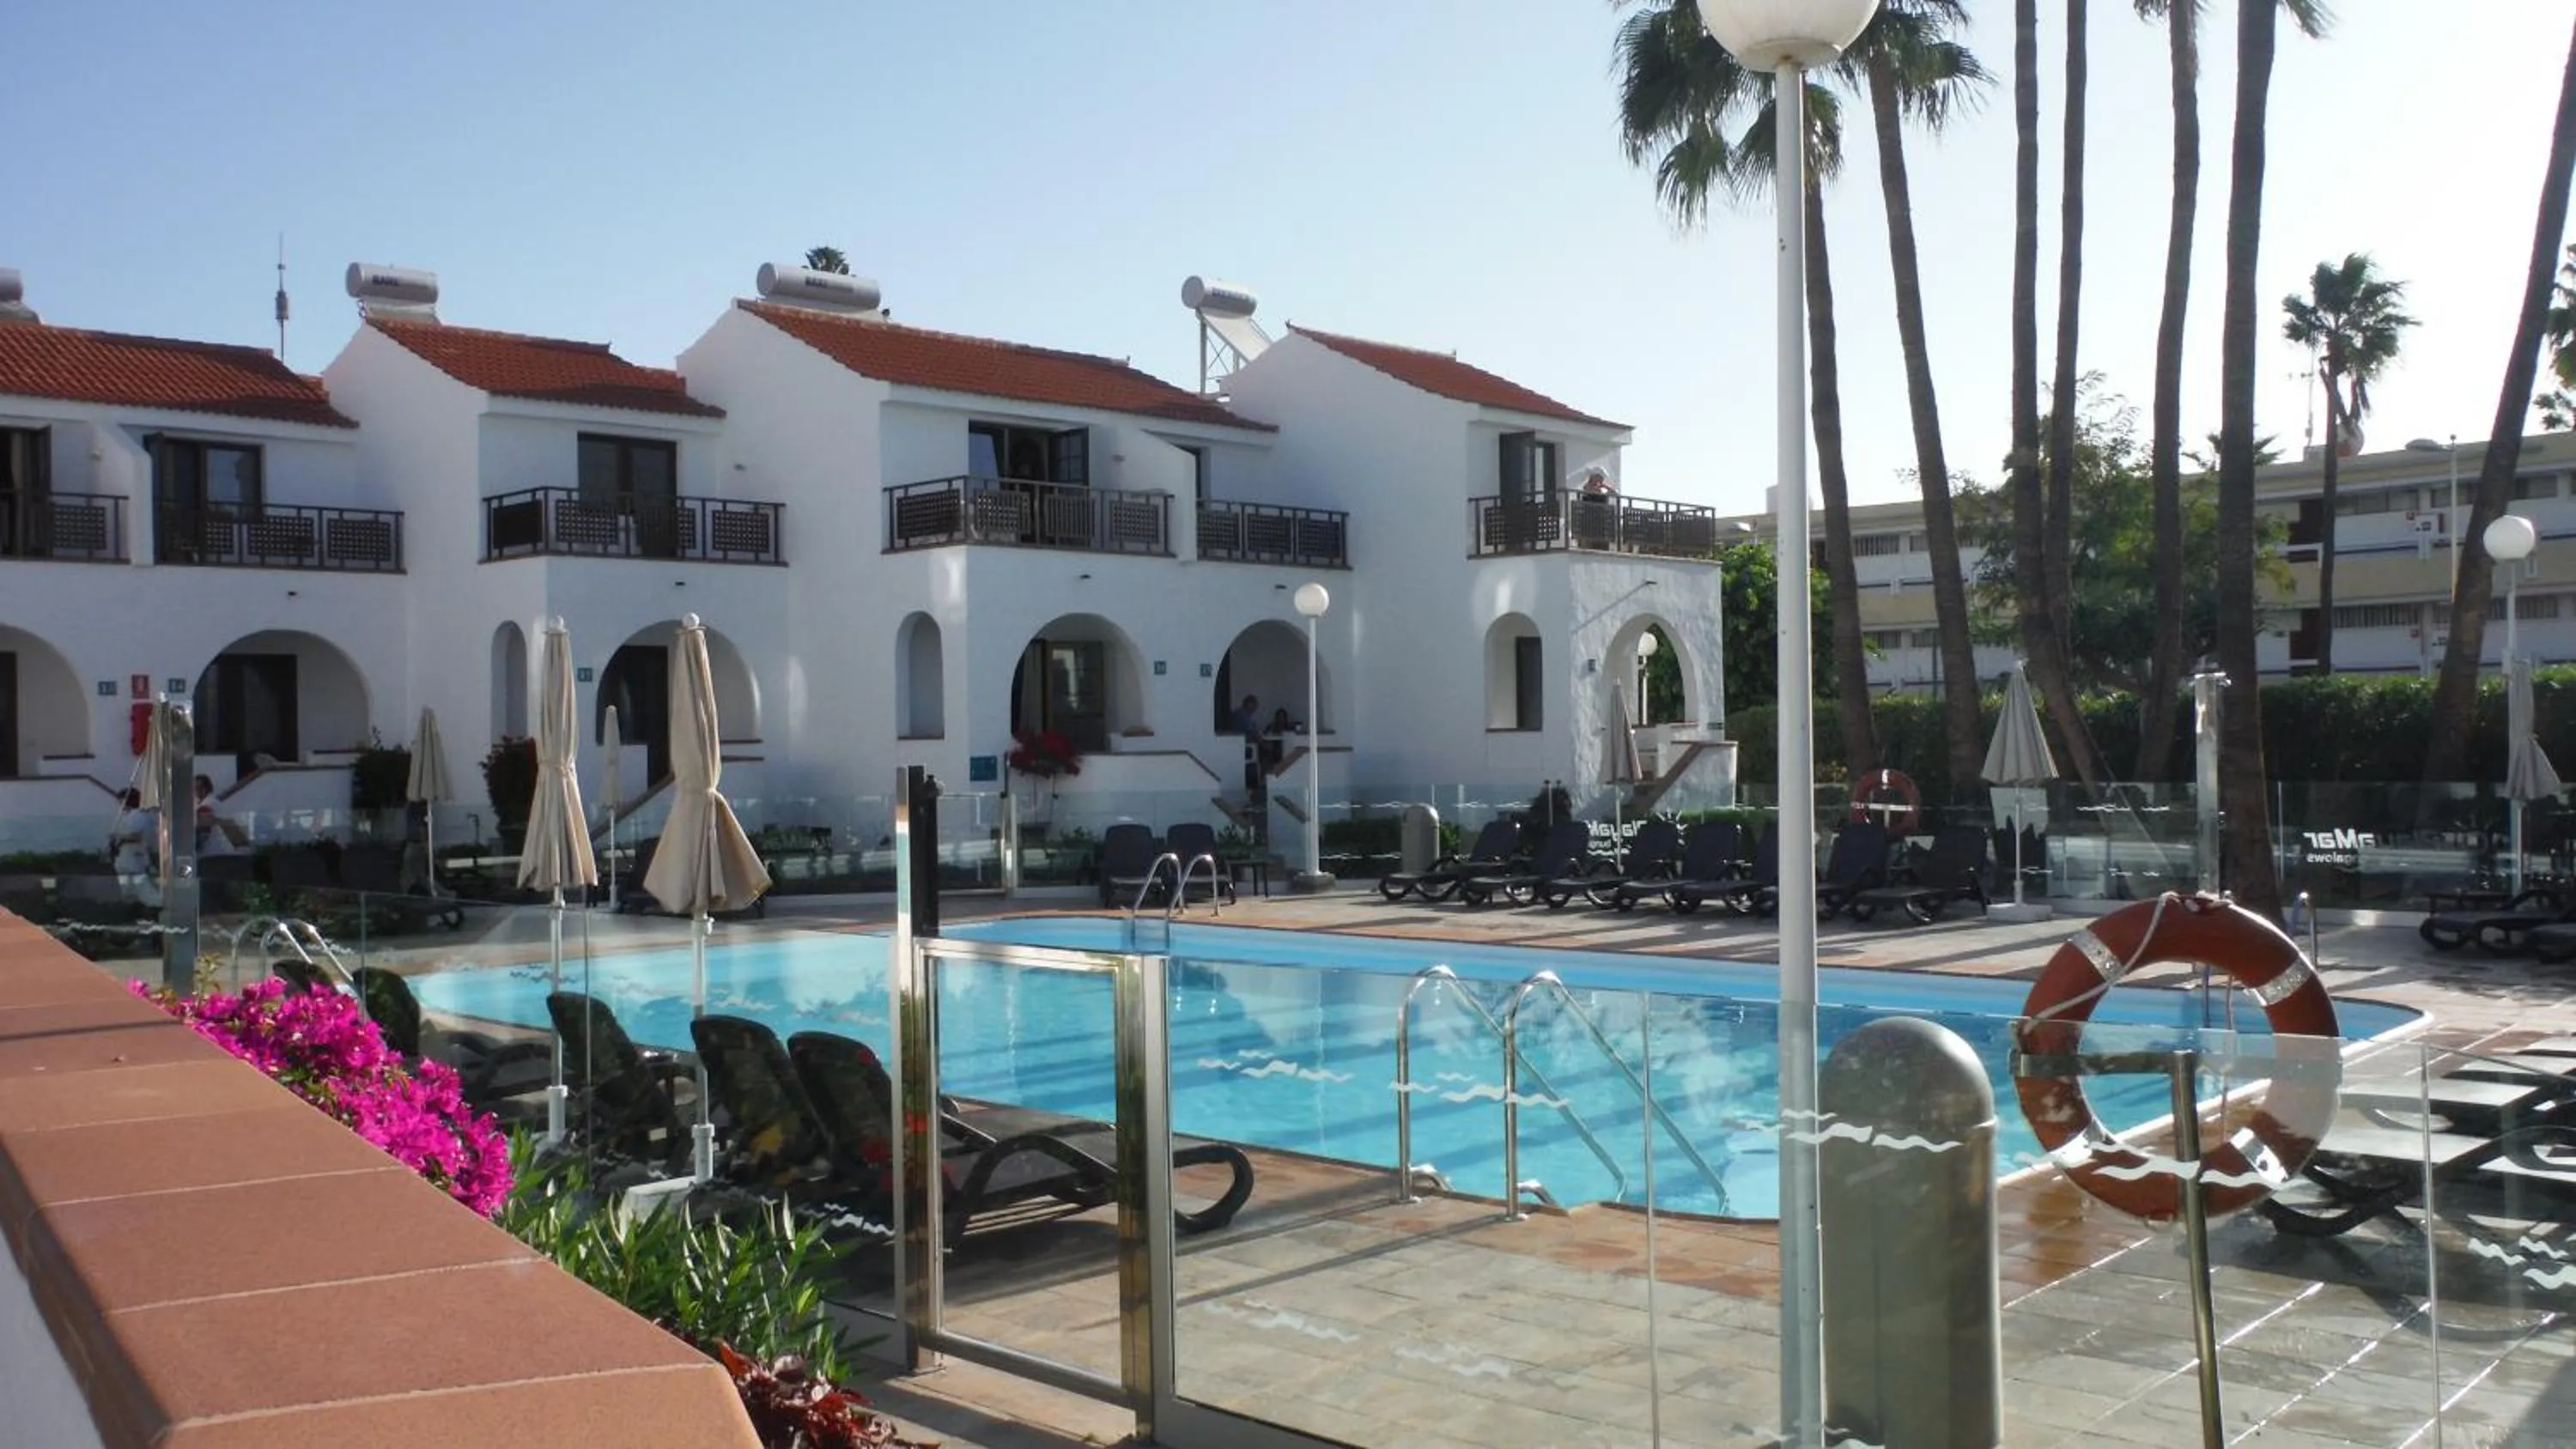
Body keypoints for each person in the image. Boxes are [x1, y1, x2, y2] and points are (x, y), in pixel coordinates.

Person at [111, 787, 161, 906]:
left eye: (120, 801)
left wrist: (118, 837)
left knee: (141, 888)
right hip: (127, 859)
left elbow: (137, 836)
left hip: (134, 858)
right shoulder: (130, 816)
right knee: (128, 889)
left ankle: (156, 906)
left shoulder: (137, 816)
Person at [194, 774, 239, 857]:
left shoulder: (206, 805)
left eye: (196, 788)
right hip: (223, 849)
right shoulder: (215, 802)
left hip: (212, 852)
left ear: (203, 789)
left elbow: (204, 832)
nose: (194, 791)